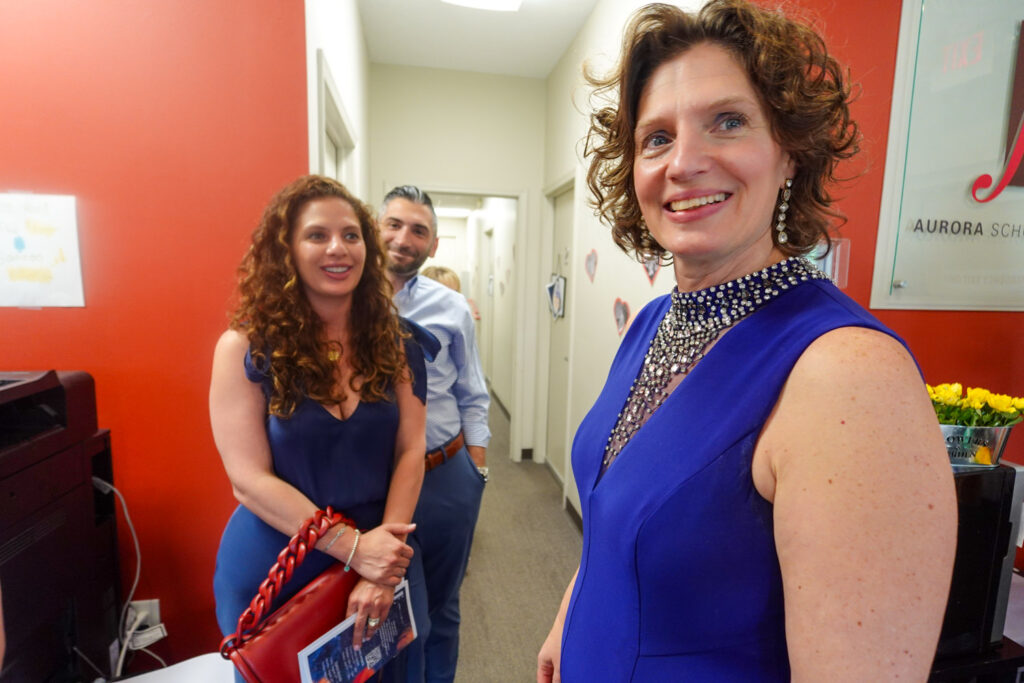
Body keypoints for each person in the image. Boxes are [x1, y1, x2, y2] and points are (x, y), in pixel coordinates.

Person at [537, 2, 957, 681]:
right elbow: (615, 525)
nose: (684, 162)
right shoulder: (654, 322)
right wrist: (571, 615)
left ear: (789, 151)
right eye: (657, 138)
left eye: (727, 122)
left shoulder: (848, 375)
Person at [211, 175, 429, 678]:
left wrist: (382, 565)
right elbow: (248, 479)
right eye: (317, 235)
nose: (338, 248)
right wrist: (354, 550)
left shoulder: (399, 345)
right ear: (286, 250)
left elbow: (411, 449)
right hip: (281, 559)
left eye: (351, 235)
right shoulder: (244, 350)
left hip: (386, 547)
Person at [379, 185, 490, 683]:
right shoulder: (340, 301)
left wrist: (476, 471)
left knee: (442, 607)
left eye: (418, 230)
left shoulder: (451, 307)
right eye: (394, 225)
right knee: (389, 609)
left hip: (444, 474)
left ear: (433, 245)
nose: (404, 239)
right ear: (374, 229)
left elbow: (473, 392)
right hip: (372, 483)